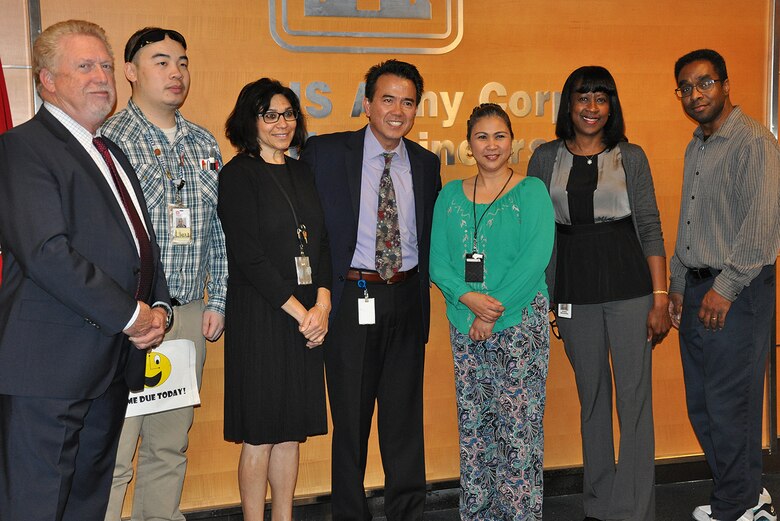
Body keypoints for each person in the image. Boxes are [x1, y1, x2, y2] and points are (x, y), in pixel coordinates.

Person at [0, 20, 171, 521]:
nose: (101, 76)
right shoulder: (20, 149)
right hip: (47, 369)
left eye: (105, 65)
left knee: (86, 503)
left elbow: (140, 243)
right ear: (46, 80)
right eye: (84, 66)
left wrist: (157, 304)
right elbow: (45, 253)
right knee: (36, 505)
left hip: (109, 366)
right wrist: (130, 315)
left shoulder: (109, 149)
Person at [527, 66, 670, 521]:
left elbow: (649, 226)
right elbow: (537, 232)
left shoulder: (631, 156)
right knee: (591, 396)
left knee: (633, 398)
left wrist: (661, 295)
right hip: (573, 291)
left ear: (612, 106)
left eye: (600, 98)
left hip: (631, 289)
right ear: (568, 104)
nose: (591, 108)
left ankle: (635, 506)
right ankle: (600, 503)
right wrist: (545, 297)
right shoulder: (545, 158)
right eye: (582, 97)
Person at [301, 59, 442, 521]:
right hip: (351, 297)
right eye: (387, 99)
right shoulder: (325, 152)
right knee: (351, 421)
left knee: (404, 421)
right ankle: (349, 513)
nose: (397, 110)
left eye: (407, 101)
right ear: (367, 104)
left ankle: (407, 513)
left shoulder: (425, 164)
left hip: (405, 296)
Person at [101, 27, 228, 521]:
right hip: (127, 319)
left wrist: (216, 300)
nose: (176, 72)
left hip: (187, 315)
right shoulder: (110, 140)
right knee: (113, 452)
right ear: (130, 72)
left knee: (169, 446)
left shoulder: (202, 140)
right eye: (161, 62)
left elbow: (219, 230)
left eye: (182, 61)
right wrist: (129, 312)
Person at [669, 49, 780, 521]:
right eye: (686, 87)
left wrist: (725, 288)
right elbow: (690, 222)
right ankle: (745, 496)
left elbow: (761, 229)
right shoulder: (697, 144)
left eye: (705, 83)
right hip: (697, 288)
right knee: (703, 404)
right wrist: (677, 284)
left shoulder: (754, 142)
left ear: (726, 83)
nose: (696, 94)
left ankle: (735, 507)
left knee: (729, 404)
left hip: (737, 291)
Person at [429, 103, 554, 520]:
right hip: (464, 326)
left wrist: (490, 312)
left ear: (512, 142)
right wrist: (468, 302)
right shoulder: (449, 195)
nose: (491, 145)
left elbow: (534, 259)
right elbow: (439, 262)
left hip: (519, 326)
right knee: (476, 429)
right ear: (469, 145)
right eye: (482, 137)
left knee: (518, 428)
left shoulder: (531, 191)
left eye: (500, 136)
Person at [218, 78, 331, 521]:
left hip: (306, 317)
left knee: (290, 433)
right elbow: (248, 256)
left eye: (288, 114)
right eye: (270, 115)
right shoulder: (237, 175)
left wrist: (322, 305)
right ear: (251, 120)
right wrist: (303, 313)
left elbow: (321, 242)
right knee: (260, 434)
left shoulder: (303, 170)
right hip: (263, 316)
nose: (281, 124)